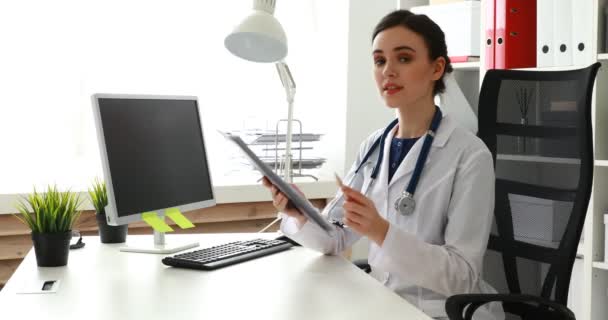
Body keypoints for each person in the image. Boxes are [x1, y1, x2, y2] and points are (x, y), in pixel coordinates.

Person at [263, 10, 503, 320]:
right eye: (379, 61)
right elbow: (335, 239)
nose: (388, 71)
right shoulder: (375, 145)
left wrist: (381, 231)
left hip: (440, 312)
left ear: (436, 68)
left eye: (403, 59)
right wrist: (300, 214)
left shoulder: (469, 155)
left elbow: (463, 278)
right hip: (381, 303)